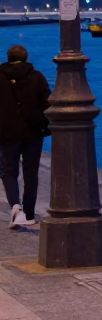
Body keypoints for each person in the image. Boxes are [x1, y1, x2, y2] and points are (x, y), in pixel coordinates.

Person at [0, 45, 51, 229]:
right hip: (32, 132)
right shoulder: (37, 77)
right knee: (31, 173)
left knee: (8, 171)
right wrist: (45, 124)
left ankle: (15, 207)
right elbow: (48, 104)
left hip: (6, 132)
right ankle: (28, 213)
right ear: (26, 57)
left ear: (8, 57)